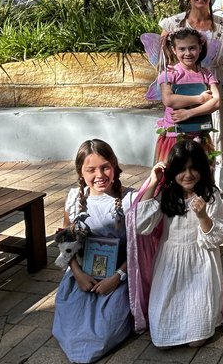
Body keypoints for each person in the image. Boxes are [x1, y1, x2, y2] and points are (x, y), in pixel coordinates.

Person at [135, 139, 223, 348]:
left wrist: (202, 216)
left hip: (200, 264)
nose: (188, 175)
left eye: (193, 168)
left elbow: (218, 236)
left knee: (197, 340)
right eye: (181, 169)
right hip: (170, 264)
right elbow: (141, 225)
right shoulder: (167, 193)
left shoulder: (210, 195)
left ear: (202, 169)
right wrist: (153, 182)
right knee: (162, 341)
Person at [53, 139, 135, 363]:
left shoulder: (130, 200)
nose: (99, 175)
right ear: (81, 172)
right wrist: (77, 273)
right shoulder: (75, 199)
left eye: (105, 167)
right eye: (91, 170)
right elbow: (66, 241)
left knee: (106, 329)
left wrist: (116, 278)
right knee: (70, 322)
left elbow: (137, 248)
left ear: (114, 165)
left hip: (119, 276)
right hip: (84, 275)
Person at [159, 0, 223, 166]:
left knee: (210, 143)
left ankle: (210, 181)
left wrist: (208, 80)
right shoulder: (173, 24)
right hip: (182, 87)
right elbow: (163, 58)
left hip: (213, 84)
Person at [154, 28, 221, 163]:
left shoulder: (206, 74)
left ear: (200, 48)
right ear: (174, 50)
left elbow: (217, 101)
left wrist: (189, 113)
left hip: (200, 135)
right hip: (175, 136)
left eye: (192, 48)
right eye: (182, 49)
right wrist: (200, 99)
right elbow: (169, 100)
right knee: (174, 171)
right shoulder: (170, 73)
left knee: (200, 172)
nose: (188, 53)